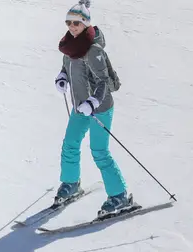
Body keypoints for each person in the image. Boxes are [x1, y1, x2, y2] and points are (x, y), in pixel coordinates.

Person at [54, 0, 135, 217]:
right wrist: (62, 77)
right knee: (70, 144)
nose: (72, 27)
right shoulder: (69, 46)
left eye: (76, 23)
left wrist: (93, 102)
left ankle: (119, 195)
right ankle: (71, 183)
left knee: (99, 151)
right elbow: (67, 66)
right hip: (80, 107)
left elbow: (103, 82)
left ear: (86, 23)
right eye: (69, 22)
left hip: (100, 108)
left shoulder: (93, 50)